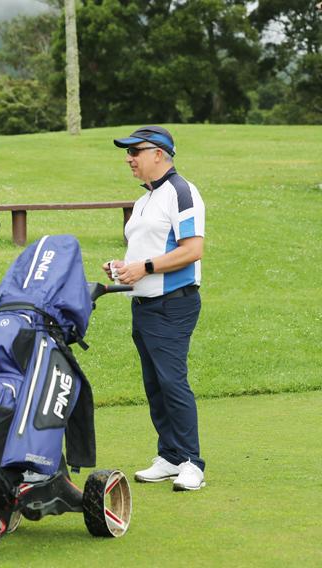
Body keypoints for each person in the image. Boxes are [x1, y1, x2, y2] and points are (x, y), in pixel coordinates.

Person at [105, 126, 206, 491]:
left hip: (173, 304)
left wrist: (143, 267)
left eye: (136, 151)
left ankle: (192, 462)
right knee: (155, 384)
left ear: (159, 153)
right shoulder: (147, 197)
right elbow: (149, 249)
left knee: (172, 382)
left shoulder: (181, 192)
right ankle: (170, 455)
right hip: (145, 305)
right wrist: (123, 266)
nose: (129, 159)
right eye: (128, 153)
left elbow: (192, 250)